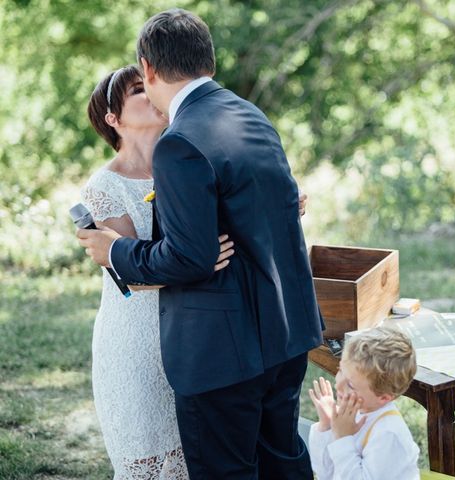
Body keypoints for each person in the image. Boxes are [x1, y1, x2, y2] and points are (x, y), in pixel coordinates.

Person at [77, 8, 324, 480]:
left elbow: (190, 258)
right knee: (282, 464)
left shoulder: (180, 142)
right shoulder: (249, 114)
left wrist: (114, 251)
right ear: (207, 59)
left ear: (149, 68)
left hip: (223, 355)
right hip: (285, 334)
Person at [82, 65, 236, 478]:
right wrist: (200, 261)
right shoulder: (104, 187)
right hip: (133, 342)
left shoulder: (187, 161)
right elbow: (132, 273)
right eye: (136, 89)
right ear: (113, 119)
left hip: (192, 337)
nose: (149, 91)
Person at [308, 327, 420, 480]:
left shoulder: (388, 434)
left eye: (351, 385)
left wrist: (342, 438)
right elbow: (326, 474)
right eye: (340, 370)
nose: (338, 384)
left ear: (384, 397)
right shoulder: (354, 411)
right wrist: (327, 426)